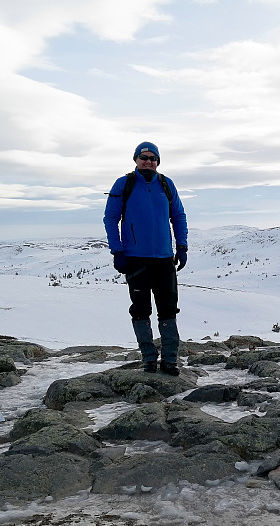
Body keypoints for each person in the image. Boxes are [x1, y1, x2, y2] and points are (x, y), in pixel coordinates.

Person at [103, 141, 188, 375]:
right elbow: (111, 218)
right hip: (136, 259)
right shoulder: (124, 184)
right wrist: (117, 250)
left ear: (158, 161)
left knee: (168, 309)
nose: (148, 161)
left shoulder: (166, 184)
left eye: (153, 157)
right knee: (140, 309)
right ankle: (149, 359)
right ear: (136, 160)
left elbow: (178, 216)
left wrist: (182, 246)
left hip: (164, 259)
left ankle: (170, 360)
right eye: (143, 157)